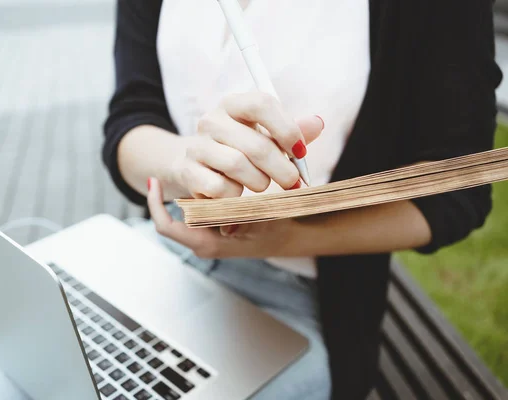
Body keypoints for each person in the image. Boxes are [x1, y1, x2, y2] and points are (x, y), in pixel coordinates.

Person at [102, 0, 502, 399]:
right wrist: (183, 166)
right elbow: (133, 115)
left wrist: (286, 238)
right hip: (166, 249)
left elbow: (458, 193)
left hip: (304, 293)